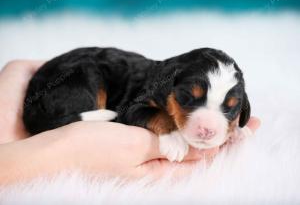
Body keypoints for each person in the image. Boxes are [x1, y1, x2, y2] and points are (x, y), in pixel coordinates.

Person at [0, 60, 260, 185]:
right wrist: (167, 128)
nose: (206, 126)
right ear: (169, 87)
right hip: (67, 86)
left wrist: (231, 129)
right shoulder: (155, 90)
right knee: (88, 75)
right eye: (188, 100)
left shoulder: (170, 83)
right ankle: (61, 119)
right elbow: (132, 112)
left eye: (229, 110)